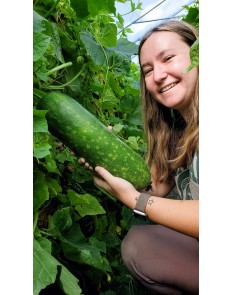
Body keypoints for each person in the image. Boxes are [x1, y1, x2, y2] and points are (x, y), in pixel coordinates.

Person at [79, 20, 199, 295]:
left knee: (140, 246)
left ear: (200, 54)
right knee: (139, 243)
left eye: (168, 58)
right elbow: (151, 186)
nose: (158, 75)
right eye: (148, 70)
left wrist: (136, 201)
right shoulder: (176, 130)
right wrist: (100, 150)